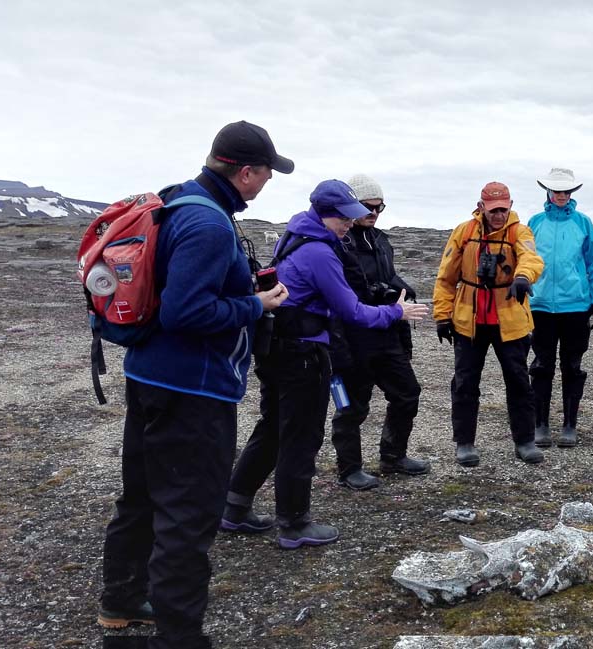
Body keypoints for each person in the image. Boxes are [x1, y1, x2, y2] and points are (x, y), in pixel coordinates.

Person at [97, 120, 292, 648]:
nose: (267, 182)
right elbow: (186, 312)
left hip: (148, 375)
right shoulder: (209, 224)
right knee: (188, 516)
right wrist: (256, 303)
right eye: (267, 173)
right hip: (193, 391)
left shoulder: (178, 200)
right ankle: (179, 637)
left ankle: (121, 602)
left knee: (141, 496)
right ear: (245, 172)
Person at [221, 180, 429, 548]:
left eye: (352, 216)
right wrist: (396, 312)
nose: (349, 223)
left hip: (276, 348)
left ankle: (234, 507)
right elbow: (352, 311)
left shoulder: (295, 236)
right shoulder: (320, 253)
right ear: (324, 214)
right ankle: (294, 523)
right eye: (343, 217)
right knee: (301, 437)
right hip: (303, 355)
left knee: (273, 429)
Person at [328, 174, 430, 491]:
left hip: (387, 332)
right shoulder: (338, 242)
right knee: (351, 406)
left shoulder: (381, 240)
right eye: (367, 207)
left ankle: (393, 455)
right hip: (354, 336)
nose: (373, 213)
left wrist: (402, 290)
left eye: (379, 207)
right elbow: (344, 292)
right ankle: (349, 469)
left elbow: (390, 278)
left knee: (407, 393)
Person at [433, 181, 546, 467]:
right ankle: (464, 442)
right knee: (465, 383)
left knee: (519, 381)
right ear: (481, 206)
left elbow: (531, 258)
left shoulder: (520, 231)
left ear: (511, 205)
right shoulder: (464, 232)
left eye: (503, 209)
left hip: (510, 320)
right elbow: (446, 277)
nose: (499, 215)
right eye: (493, 210)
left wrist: (523, 277)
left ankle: (525, 441)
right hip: (469, 320)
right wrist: (442, 315)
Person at [527, 168, 593, 448]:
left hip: (576, 306)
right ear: (548, 191)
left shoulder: (583, 223)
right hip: (540, 306)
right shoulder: (534, 223)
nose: (561, 195)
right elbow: (524, 261)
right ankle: (540, 424)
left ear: (572, 192)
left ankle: (570, 424)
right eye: (557, 190)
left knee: (572, 366)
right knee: (541, 366)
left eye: (566, 191)